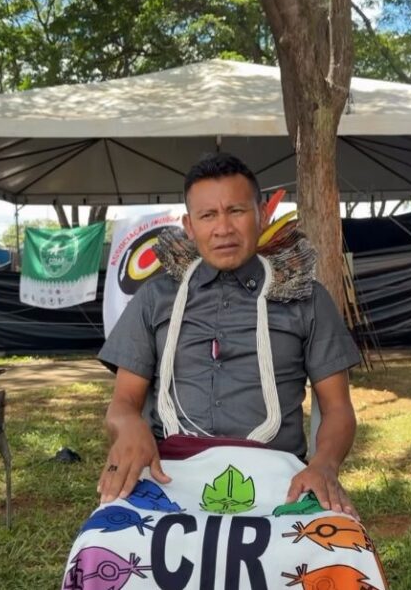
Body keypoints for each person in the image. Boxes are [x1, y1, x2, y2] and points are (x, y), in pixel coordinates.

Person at [97, 152, 361, 518]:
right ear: (189, 226)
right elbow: (123, 402)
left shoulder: (307, 298)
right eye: (208, 215)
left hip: (281, 479)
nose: (223, 228)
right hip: (167, 475)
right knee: (101, 547)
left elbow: (337, 409)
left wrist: (324, 465)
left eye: (236, 211)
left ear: (261, 215)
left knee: (338, 550)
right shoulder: (156, 298)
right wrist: (128, 427)